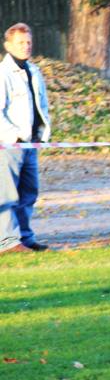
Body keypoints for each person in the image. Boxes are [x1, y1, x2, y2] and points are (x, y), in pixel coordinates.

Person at [0, 23, 51, 253]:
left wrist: (42, 133)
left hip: (31, 143)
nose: (26, 46)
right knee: (8, 194)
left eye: (28, 42)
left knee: (29, 192)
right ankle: (7, 241)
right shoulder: (3, 74)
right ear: (8, 45)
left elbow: (41, 105)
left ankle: (25, 237)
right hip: (9, 145)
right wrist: (14, 136)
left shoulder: (34, 70)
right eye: (20, 42)